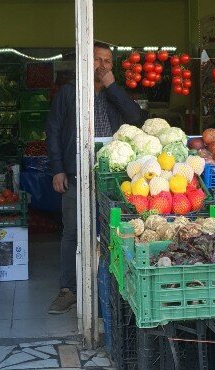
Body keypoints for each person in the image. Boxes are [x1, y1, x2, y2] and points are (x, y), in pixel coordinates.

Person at [45, 42, 144, 314]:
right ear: (85, 63)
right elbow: (52, 131)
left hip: (111, 178)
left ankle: (109, 289)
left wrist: (113, 87)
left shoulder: (115, 94)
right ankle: (68, 290)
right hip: (75, 175)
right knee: (72, 234)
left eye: (107, 61)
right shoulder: (68, 94)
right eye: (97, 60)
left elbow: (136, 117)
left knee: (111, 234)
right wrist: (57, 169)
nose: (102, 66)